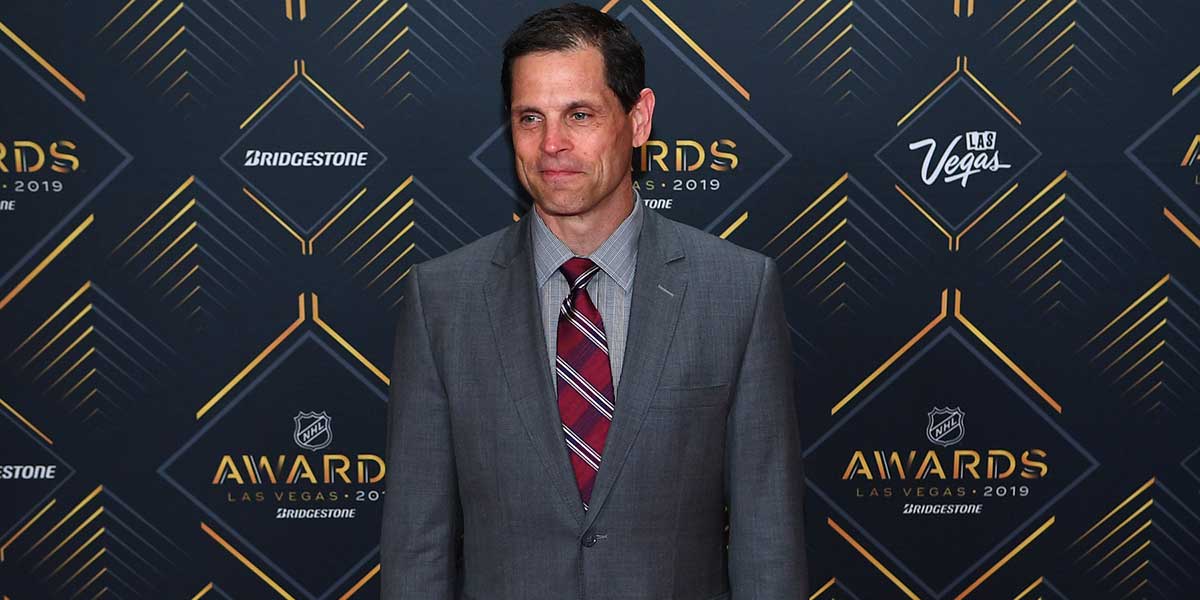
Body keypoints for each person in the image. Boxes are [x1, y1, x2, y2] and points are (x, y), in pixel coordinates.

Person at [381, 4, 808, 598]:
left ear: (638, 120)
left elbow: (769, 541)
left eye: (579, 114)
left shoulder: (736, 290)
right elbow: (415, 546)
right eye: (531, 118)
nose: (552, 144)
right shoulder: (442, 299)